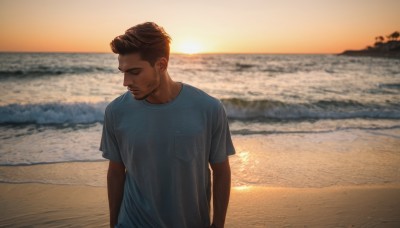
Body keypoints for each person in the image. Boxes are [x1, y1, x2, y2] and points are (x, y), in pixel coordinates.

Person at [100, 22, 235, 228]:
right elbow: (116, 172)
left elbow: (221, 171)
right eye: (123, 72)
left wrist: (218, 224)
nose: (126, 82)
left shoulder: (208, 108)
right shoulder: (116, 112)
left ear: (161, 65)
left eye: (135, 72)